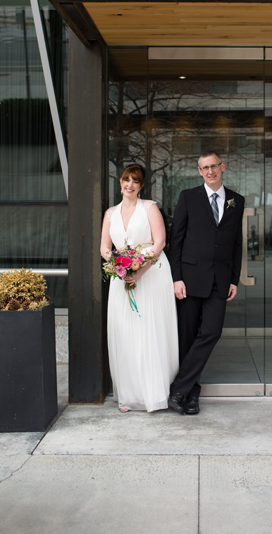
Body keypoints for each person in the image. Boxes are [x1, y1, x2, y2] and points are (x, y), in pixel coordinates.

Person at [167, 151, 244, 415]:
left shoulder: (236, 200)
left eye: (214, 166)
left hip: (219, 280)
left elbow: (236, 242)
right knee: (187, 338)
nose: (210, 171)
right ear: (199, 171)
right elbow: (176, 239)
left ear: (222, 167)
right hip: (188, 280)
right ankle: (190, 395)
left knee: (211, 332)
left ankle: (178, 388)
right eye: (204, 168)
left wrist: (234, 278)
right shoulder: (188, 197)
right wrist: (176, 277)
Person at [100, 164, 179, 412]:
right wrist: (118, 266)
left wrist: (139, 269)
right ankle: (128, 394)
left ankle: (153, 393)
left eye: (135, 181)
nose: (130, 184)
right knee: (124, 332)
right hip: (121, 277)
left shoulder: (150, 208)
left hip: (152, 274)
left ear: (141, 186)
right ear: (120, 182)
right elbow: (104, 247)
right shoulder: (110, 213)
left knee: (149, 330)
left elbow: (160, 243)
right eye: (126, 179)